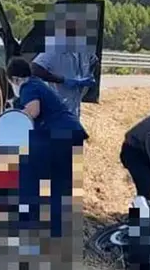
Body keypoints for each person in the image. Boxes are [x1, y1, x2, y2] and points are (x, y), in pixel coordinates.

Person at [7, 57, 89, 237]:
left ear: (15, 79)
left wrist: (14, 118)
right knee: (61, 186)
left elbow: (33, 110)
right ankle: (58, 233)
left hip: (56, 136)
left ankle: (25, 227)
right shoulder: (38, 83)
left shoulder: (28, 87)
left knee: (28, 177)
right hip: (72, 134)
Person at [30, 18, 97, 118]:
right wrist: (62, 80)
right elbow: (35, 68)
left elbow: (94, 60)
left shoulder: (81, 50)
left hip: (74, 108)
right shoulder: (54, 50)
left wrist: (89, 75)